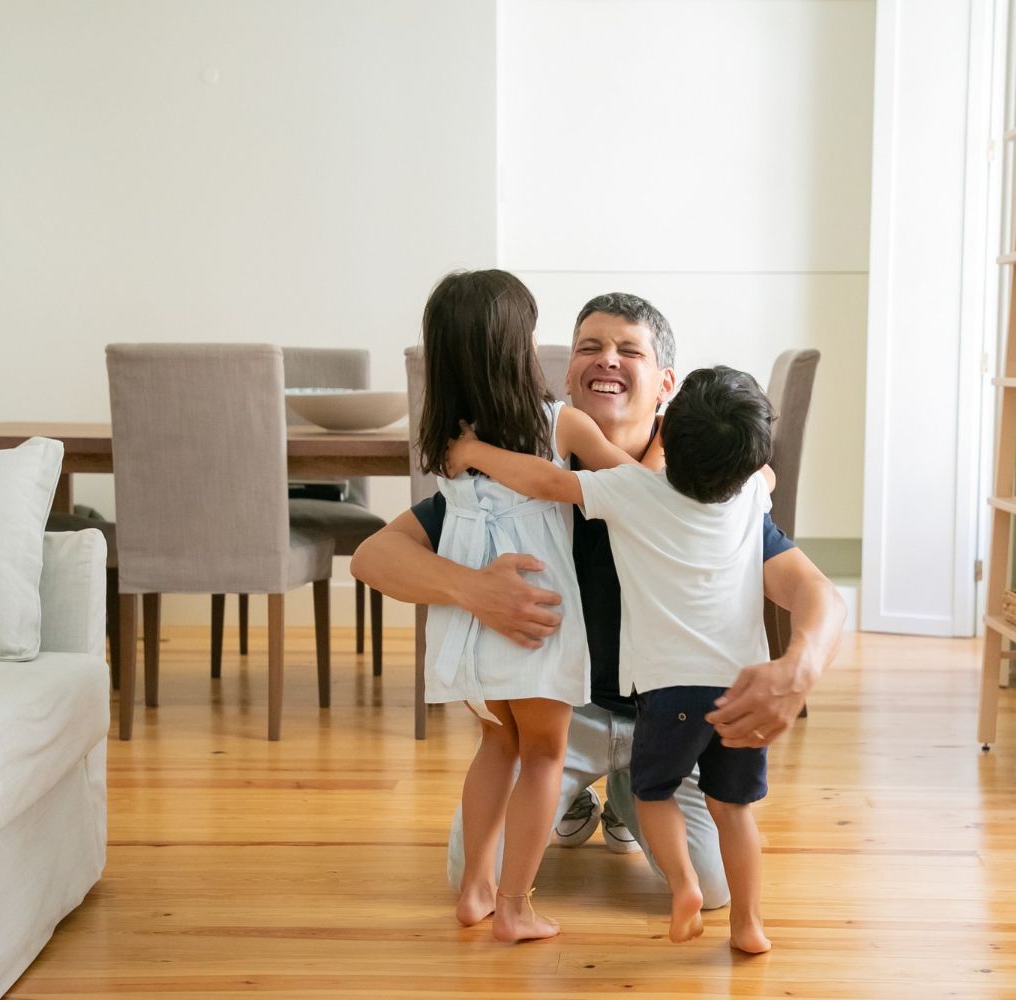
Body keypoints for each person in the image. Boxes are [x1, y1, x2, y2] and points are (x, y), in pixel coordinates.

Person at [351, 291, 846, 913]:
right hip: (566, 714)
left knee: (714, 890)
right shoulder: (522, 477)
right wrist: (475, 589)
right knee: (466, 873)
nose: (606, 359)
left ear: (665, 382)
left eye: (628, 349)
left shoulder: (708, 487)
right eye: (590, 346)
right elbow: (373, 557)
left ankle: (628, 795)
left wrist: (799, 665)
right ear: (567, 373)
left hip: (668, 715)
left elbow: (816, 593)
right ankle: (580, 797)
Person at [446, 365, 781, 952]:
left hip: (666, 694)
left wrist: (473, 450)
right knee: (735, 811)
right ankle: (750, 926)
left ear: (666, 435)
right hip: (740, 692)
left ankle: (681, 885)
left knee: (653, 793)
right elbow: (764, 476)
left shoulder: (636, 493)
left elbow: (548, 484)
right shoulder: (751, 496)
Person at [414, 270, 649, 943]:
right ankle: (514, 905)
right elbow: (614, 482)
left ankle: (475, 891)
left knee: (497, 740)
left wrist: (478, 452)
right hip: (533, 609)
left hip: (469, 612)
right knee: (543, 754)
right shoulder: (556, 423)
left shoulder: (446, 442)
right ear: (515, 347)